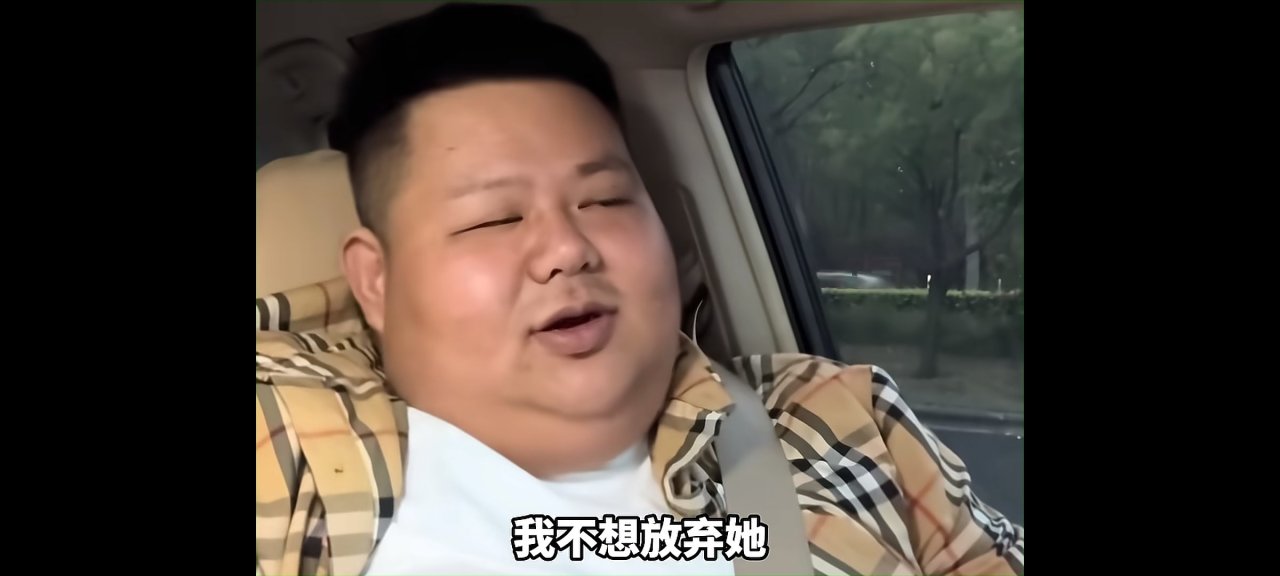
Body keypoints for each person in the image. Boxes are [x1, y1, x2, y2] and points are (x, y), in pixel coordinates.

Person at [254, 4, 1024, 575]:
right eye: (495, 217)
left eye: (604, 200)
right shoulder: (283, 446)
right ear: (376, 280)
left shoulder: (838, 418)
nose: (567, 249)